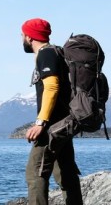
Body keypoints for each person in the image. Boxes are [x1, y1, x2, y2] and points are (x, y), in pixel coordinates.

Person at [20, 18, 82, 205]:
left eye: (22, 35)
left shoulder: (46, 54)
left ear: (30, 37)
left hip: (52, 127)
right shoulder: (57, 52)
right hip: (64, 124)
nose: (21, 38)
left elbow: (52, 86)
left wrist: (41, 122)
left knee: (35, 173)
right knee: (66, 173)